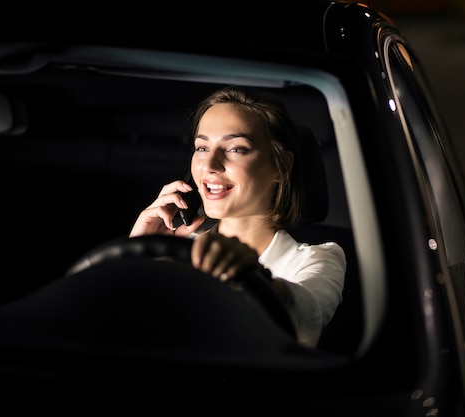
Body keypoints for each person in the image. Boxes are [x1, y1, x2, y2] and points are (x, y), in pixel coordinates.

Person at [129, 86, 346, 348]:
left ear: (281, 166)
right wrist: (138, 257)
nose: (209, 166)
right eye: (201, 148)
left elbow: (306, 312)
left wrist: (247, 274)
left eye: (236, 149)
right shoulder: (175, 251)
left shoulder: (316, 259)